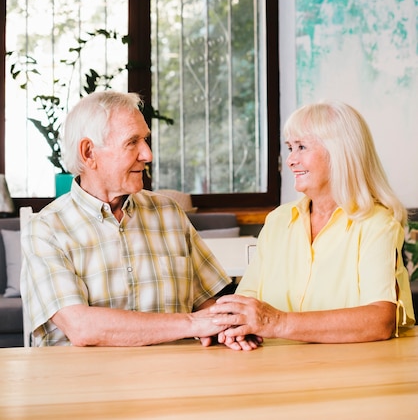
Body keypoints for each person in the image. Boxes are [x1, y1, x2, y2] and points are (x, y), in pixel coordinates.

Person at [20, 91, 238, 347]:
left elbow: (207, 303)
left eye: (145, 140)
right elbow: (81, 326)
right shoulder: (46, 229)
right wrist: (192, 323)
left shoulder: (169, 212)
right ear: (89, 153)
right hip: (87, 383)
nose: (147, 154)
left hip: (174, 379)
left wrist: (229, 329)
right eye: (132, 142)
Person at [210, 100, 415, 349]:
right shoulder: (278, 220)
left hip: (351, 375)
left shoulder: (376, 223)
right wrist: (237, 327)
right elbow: (247, 299)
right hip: (273, 368)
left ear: (340, 153)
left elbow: (380, 320)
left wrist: (277, 323)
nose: (290, 160)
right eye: (290, 148)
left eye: (301, 147)